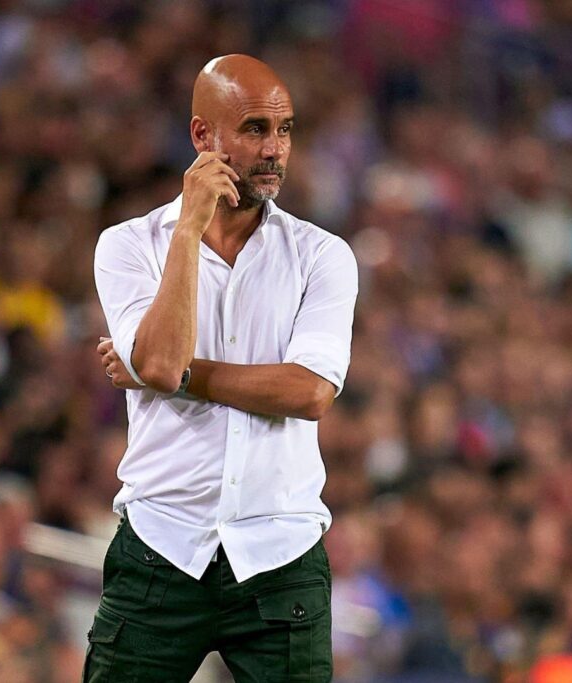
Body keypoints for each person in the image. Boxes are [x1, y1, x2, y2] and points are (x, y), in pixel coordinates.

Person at [87, 54, 358, 682]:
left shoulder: (323, 256)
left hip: (281, 557)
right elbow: (157, 358)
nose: (275, 149)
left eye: (285, 129)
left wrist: (181, 375)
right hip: (159, 551)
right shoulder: (128, 245)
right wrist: (187, 227)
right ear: (202, 137)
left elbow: (311, 392)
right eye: (256, 129)